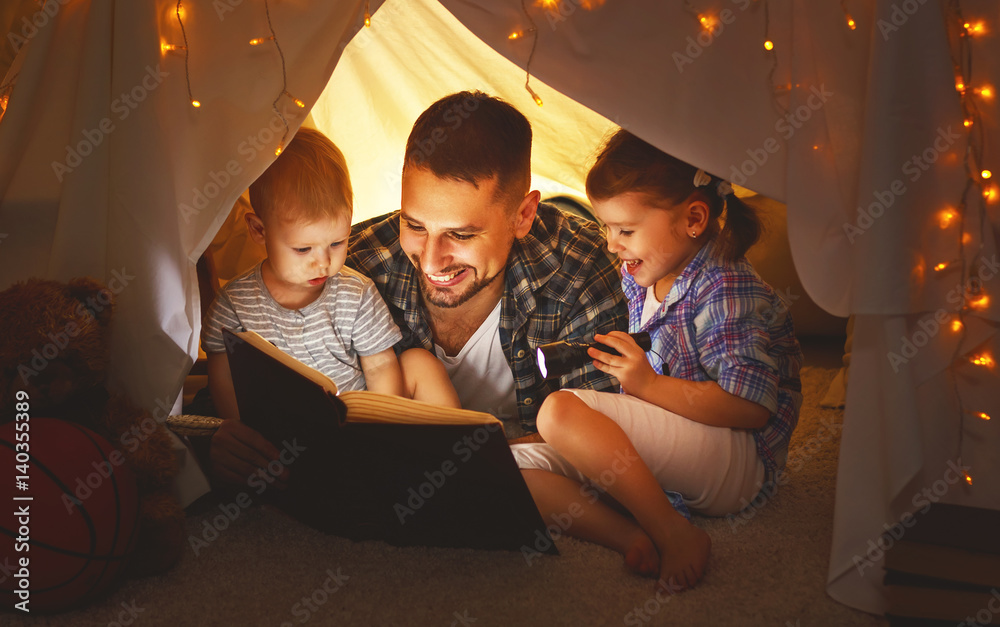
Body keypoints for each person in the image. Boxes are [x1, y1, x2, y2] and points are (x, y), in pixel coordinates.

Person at [515, 129, 803, 592]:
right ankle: (632, 533)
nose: (612, 244)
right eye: (607, 227)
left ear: (693, 218)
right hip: (681, 440)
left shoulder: (723, 285)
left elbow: (752, 408)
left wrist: (647, 386)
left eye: (626, 230)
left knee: (559, 410)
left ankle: (673, 531)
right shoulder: (642, 277)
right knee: (512, 468)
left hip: (738, 458)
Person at [346, 91, 628, 442]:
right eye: (415, 225)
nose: (431, 260)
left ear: (523, 216)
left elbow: (601, 434)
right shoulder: (354, 268)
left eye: (461, 235)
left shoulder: (581, 269)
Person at [204, 127, 459, 487]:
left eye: (337, 243)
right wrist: (242, 434)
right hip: (284, 433)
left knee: (418, 363)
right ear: (259, 231)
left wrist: (380, 431)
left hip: (356, 423)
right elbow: (224, 377)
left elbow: (382, 364)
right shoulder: (234, 305)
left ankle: (456, 460)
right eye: (303, 249)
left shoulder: (355, 293)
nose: (322, 263)